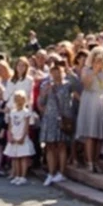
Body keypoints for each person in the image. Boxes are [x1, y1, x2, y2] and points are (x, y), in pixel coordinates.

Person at [37, 58, 72, 186]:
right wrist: (44, 93)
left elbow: (69, 102)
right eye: (53, 71)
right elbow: (40, 102)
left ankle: (61, 172)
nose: (56, 73)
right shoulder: (45, 85)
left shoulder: (68, 85)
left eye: (58, 70)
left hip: (62, 118)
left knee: (61, 145)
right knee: (50, 146)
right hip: (49, 117)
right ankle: (51, 172)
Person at [75, 48, 103, 172]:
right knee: (90, 133)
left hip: (102, 101)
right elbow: (86, 85)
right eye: (97, 60)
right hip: (90, 100)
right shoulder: (86, 70)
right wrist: (94, 71)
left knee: (99, 134)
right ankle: (89, 161)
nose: (99, 62)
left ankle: (96, 161)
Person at [4, 90, 36, 185]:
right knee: (15, 157)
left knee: (22, 157)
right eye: (17, 99)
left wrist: (23, 137)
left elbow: (26, 126)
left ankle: (23, 176)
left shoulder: (26, 112)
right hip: (14, 136)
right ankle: (17, 175)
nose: (19, 101)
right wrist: (10, 136)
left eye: (21, 99)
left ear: (24, 100)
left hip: (22, 136)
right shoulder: (12, 112)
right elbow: (10, 126)